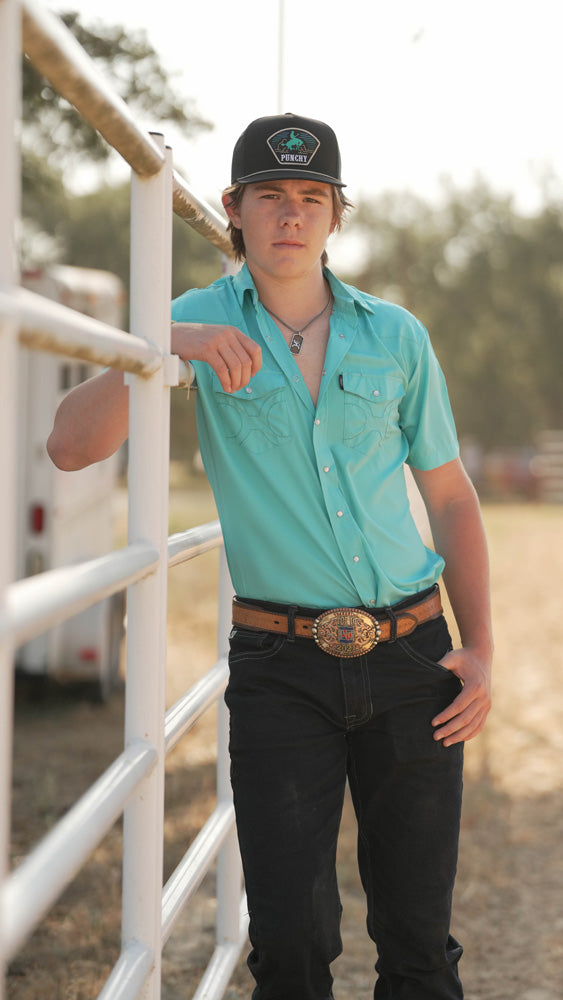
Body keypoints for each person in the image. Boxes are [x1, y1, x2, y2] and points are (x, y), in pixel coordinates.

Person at [48, 113, 493, 1000]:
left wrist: (478, 647)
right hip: (280, 669)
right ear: (233, 208)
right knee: (288, 946)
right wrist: (163, 344)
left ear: (335, 215)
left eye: (311, 198)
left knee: (418, 945)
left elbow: (449, 496)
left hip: (412, 657)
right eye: (270, 196)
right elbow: (69, 446)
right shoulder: (191, 318)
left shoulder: (396, 335)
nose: (291, 214)